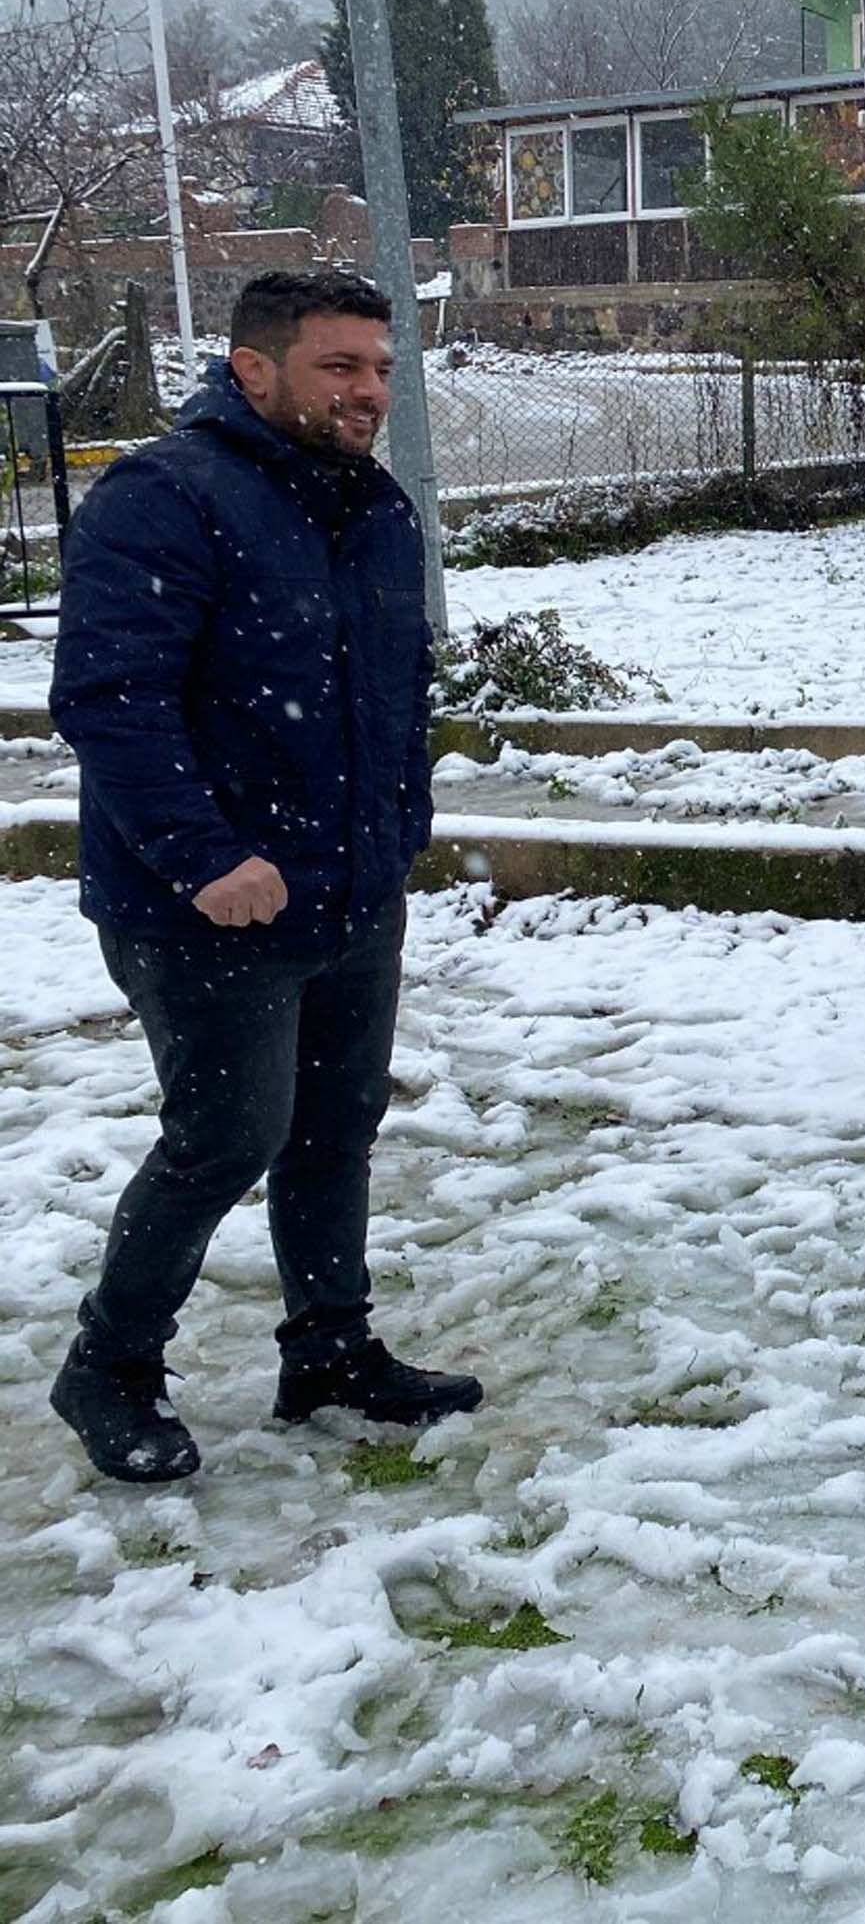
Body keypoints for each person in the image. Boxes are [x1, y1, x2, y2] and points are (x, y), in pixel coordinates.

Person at [46, 268, 480, 1485]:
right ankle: (110, 1366)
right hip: (207, 909)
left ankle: (329, 1350)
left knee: (337, 1128)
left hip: (350, 890)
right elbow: (109, 700)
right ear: (254, 368)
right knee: (223, 1137)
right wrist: (207, 859)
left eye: (382, 369)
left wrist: (400, 827)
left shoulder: (373, 507)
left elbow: (403, 690)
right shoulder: (164, 499)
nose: (368, 392)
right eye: (339, 366)